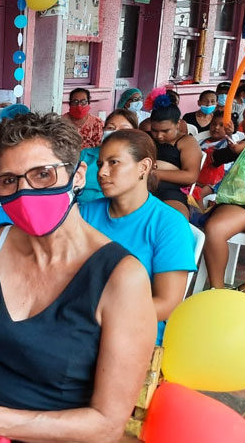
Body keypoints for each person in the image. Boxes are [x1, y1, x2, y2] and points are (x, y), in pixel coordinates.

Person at [0, 112, 156, 443]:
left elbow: (107, 426)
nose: (25, 192)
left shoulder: (121, 277)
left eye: (43, 174)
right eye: (9, 180)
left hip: (47, 434)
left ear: (78, 175)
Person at [80, 130, 196, 344]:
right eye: (100, 164)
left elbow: (167, 303)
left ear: (143, 167)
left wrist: (101, 317)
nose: (102, 173)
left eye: (114, 162)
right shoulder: (85, 213)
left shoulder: (168, 224)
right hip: (79, 323)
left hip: (133, 331)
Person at [203, 98, 245, 294]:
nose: (242, 123)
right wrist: (231, 140)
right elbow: (218, 159)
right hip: (241, 200)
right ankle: (216, 289)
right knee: (215, 229)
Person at [148, 94, 202, 218]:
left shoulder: (186, 142)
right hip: (140, 188)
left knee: (176, 219)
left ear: (178, 124)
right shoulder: (146, 137)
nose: (159, 136)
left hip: (171, 191)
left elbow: (191, 176)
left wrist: (153, 173)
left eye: (165, 131)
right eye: (154, 130)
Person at [78, 109, 139, 203]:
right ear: (103, 130)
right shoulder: (86, 155)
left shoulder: (136, 161)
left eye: (124, 129)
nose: (116, 132)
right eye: (111, 128)